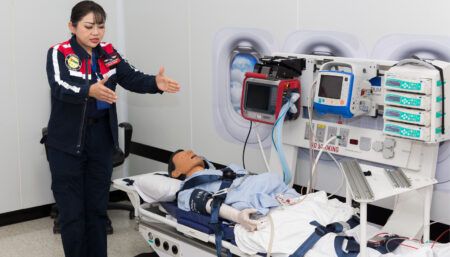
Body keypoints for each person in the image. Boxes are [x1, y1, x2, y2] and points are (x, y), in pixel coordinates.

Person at [44, 1, 180, 257]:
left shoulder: (108, 52)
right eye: (88, 26)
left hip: (100, 141)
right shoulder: (59, 52)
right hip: (66, 143)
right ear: (72, 26)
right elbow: (60, 85)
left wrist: (155, 83)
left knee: (96, 211)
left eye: (101, 26)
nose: (96, 32)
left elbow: (130, 77)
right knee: (72, 215)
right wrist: (89, 90)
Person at [167, 149, 300, 231]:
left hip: (283, 194)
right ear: (175, 173)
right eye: (183, 155)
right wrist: (238, 217)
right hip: (260, 205)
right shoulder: (185, 192)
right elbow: (210, 205)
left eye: (189, 151)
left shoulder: (224, 171)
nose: (190, 151)